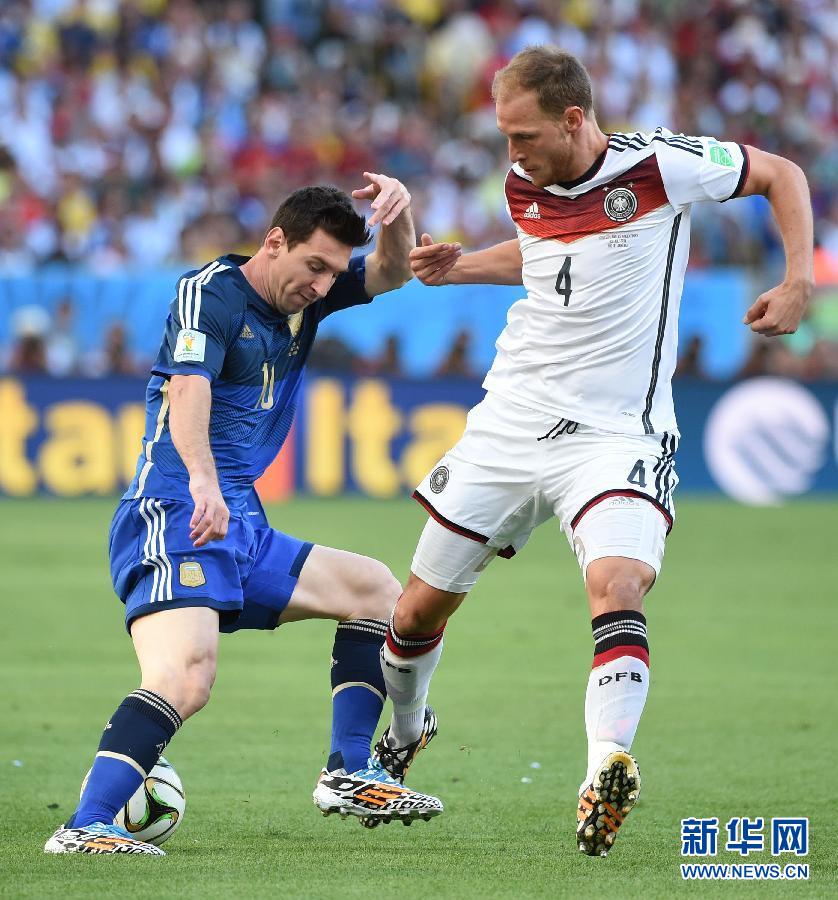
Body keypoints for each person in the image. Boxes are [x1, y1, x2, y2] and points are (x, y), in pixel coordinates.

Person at [375, 46, 813, 858]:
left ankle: (603, 766)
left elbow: (781, 172)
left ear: (574, 119)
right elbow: (545, 256)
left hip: (617, 435)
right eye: (505, 137)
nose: (512, 153)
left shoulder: (662, 167)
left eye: (523, 135)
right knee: (414, 612)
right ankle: (406, 731)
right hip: (511, 420)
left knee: (618, 585)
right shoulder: (524, 185)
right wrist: (461, 266)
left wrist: (798, 280)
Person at [45, 173, 442, 856]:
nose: (322, 286)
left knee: (376, 591)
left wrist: (399, 214)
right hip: (174, 512)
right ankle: (85, 825)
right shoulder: (211, 294)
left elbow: (391, 269)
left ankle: (349, 771)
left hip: (238, 524)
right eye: (314, 266)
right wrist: (202, 480)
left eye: (331, 273)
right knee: (186, 676)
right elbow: (188, 388)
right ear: (274, 242)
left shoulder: (306, 300)